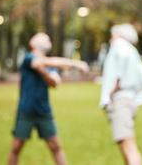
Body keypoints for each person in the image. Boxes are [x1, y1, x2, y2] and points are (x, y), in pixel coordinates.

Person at [8, 33, 89, 165]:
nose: (48, 38)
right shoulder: (29, 57)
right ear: (33, 43)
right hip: (26, 110)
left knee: (56, 147)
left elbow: (54, 83)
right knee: (16, 147)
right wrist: (76, 63)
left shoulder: (48, 64)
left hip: (44, 111)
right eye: (44, 37)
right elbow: (39, 62)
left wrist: (43, 71)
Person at [100, 24, 142, 165]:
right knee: (126, 146)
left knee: (129, 147)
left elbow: (117, 76)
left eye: (112, 35)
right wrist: (136, 100)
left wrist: (111, 92)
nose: (110, 39)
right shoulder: (132, 52)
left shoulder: (119, 47)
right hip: (128, 101)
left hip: (120, 101)